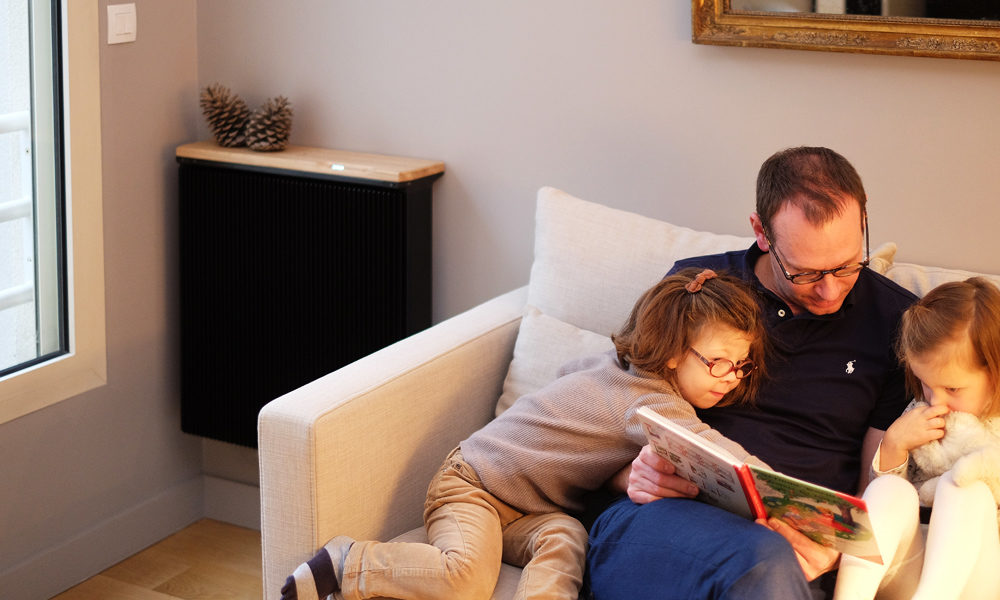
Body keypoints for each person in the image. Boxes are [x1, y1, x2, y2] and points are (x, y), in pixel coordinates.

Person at [279, 268, 768, 600]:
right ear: (673, 353)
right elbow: (712, 449)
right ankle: (347, 563)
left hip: (531, 511)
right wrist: (779, 494)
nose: (732, 377)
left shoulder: (614, 365)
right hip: (472, 485)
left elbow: (567, 374)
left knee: (568, 540)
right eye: (719, 362)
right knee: (465, 577)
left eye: (742, 365)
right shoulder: (649, 400)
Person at [586, 146, 919, 599]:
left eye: (846, 266)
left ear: (863, 222)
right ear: (761, 232)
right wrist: (632, 475)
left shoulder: (898, 323)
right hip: (663, 520)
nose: (829, 290)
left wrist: (842, 550)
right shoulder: (695, 288)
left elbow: (876, 479)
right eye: (805, 273)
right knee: (761, 560)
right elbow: (611, 418)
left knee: (768, 561)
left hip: (795, 548)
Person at [834, 278, 1000, 600]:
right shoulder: (918, 412)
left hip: (978, 576)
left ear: (995, 373)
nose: (936, 401)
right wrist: (894, 447)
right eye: (925, 383)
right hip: (909, 574)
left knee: (965, 488)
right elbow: (887, 511)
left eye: (952, 388)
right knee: (888, 488)